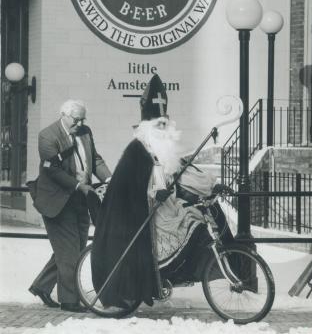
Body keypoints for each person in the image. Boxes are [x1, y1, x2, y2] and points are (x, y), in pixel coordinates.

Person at [91, 74, 218, 308]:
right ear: (147, 128)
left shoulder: (164, 149)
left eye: (165, 124)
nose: (164, 128)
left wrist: (211, 184)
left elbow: (183, 172)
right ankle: (154, 281)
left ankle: (175, 275)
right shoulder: (137, 151)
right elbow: (130, 187)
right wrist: (152, 194)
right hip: (137, 213)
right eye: (158, 125)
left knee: (195, 221)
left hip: (162, 206)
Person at [28, 99, 111, 313]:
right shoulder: (48, 135)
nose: (80, 123)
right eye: (76, 120)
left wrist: (109, 179)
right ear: (64, 115)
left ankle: (41, 286)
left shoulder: (85, 131)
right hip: (57, 200)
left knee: (73, 248)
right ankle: (70, 301)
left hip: (81, 199)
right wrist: (78, 186)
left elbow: (95, 158)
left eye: (83, 119)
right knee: (70, 253)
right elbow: (52, 170)